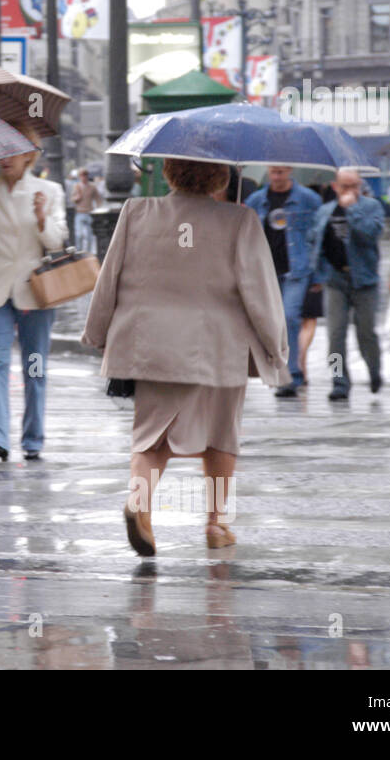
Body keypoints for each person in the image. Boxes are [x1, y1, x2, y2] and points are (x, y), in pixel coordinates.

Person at [82, 160, 289, 556]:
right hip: (221, 346)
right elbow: (260, 291)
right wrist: (276, 347)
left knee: (151, 437)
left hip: (151, 345)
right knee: (221, 436)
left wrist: (96, 332)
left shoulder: (136, 211)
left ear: (170, 173)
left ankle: (139, 502)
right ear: (221, 176)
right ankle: (216, 523)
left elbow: (109, 277)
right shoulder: (240, 220)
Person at [0, 127, 68, 461]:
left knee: (34, 366)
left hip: (35, 292)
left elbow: (57, 242)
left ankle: (33, 438)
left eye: (14, 151)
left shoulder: (49, 191)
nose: (6, 158)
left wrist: (41, 219)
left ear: (29, 154)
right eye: (1, 150)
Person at [307, 167, 385, 400]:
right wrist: (317, 273)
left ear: (360, 186)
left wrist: (353, 212)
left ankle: (374, 370)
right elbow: (314, 240)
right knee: (335, 334)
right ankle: (339, 381)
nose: (349, 191)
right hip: (335, 279)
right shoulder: (325, 211)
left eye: (354, 186)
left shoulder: (372, 207)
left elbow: (370, 235)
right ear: (335, 186)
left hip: (365, 280)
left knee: (366, 332)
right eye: (344, 186)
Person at [245, 167, 322, 396]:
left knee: (290, 317)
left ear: (289, 171)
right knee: (274, 323)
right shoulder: (256, 200)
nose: (276, 176)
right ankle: (284, 371)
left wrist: (317, 274)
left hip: (296, 269)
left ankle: (292, 376)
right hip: (266, 269)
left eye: (280, 172)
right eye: (273, 172)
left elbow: (318, 236)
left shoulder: (308, 199)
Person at [70, 169, 103, 254]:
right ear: (79, 177)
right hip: (80, 212)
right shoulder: (77, 186)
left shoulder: (92, 186)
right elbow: (72, 198)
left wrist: (99, 208)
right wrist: (77, 198)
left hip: (89, 212)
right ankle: (79, 251)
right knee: (79, 234)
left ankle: (88, 253)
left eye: (85, 175)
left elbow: (98, 198)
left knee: (89, 235)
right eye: (82, 175)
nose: (84, 177)